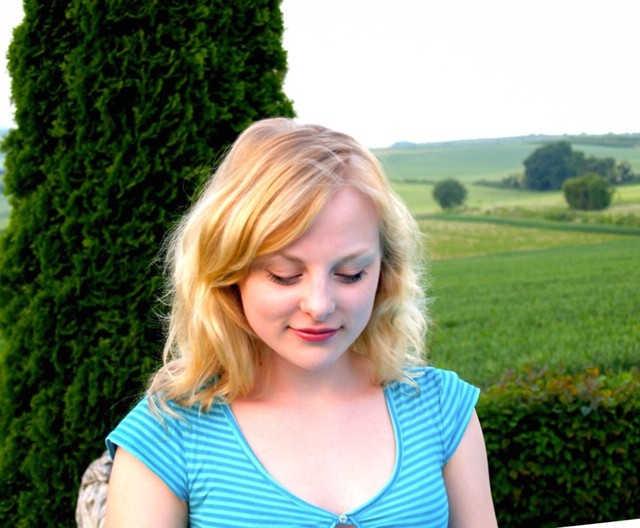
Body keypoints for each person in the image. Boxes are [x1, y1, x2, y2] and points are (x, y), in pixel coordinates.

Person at [105, 117, 497, 527]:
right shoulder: (168, 434)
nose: (319, 305)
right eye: (284, 275)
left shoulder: (441, 409)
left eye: (350, 274)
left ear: (386, 272)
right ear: (228, 275)